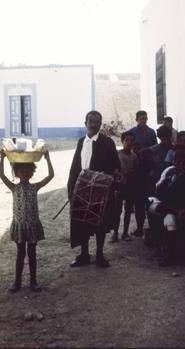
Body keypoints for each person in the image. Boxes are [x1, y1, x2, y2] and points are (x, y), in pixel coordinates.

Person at [67, 110, 120, 267]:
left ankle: (99, 255)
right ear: (85, 123)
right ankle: (84, 255)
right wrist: (72, 188)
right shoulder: (81, 142)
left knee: (100, 224)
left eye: (97, 122)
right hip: (82, 190)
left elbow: (115, 166)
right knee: (81, 222)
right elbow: (76, 166)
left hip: (100, 191)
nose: (94, 124)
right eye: (91, 121)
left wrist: (103, 178)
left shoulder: (108, 142)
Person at [0, 149, 54, 292]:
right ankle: (17, 282)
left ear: (32, 172)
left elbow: (51, 175)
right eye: (21, 171)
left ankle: (33, 281)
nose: (24, 173)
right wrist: (2, 158)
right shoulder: (13, 187)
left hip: (32, 226)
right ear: (16, 173)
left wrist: (47, 159)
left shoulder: (35, 187)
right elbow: (1, 174)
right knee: (20, 254)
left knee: (32, 254)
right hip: (20, 226)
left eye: (27, 171)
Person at [149, 146, 185, 265]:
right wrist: (167, 180)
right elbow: (158, 190)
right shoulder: (169, 171)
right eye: (176, 161)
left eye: (182, 161)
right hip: (172, 206)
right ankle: (169, 255)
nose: (178, 163)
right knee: (169, 220)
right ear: (173, 161)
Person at [111, 131, 137, 242]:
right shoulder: (117, 154)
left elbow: (136, 171)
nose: (129, 142)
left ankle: (125, 233)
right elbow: (113, 169)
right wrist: (120, 174)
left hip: (130, 186)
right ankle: (115, 233)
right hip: (119, 185)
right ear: (122, 141)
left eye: (131, 140)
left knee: (128, 210)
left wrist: (132, 174)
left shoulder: (134, 156)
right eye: (127, 140)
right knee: (117, 211)